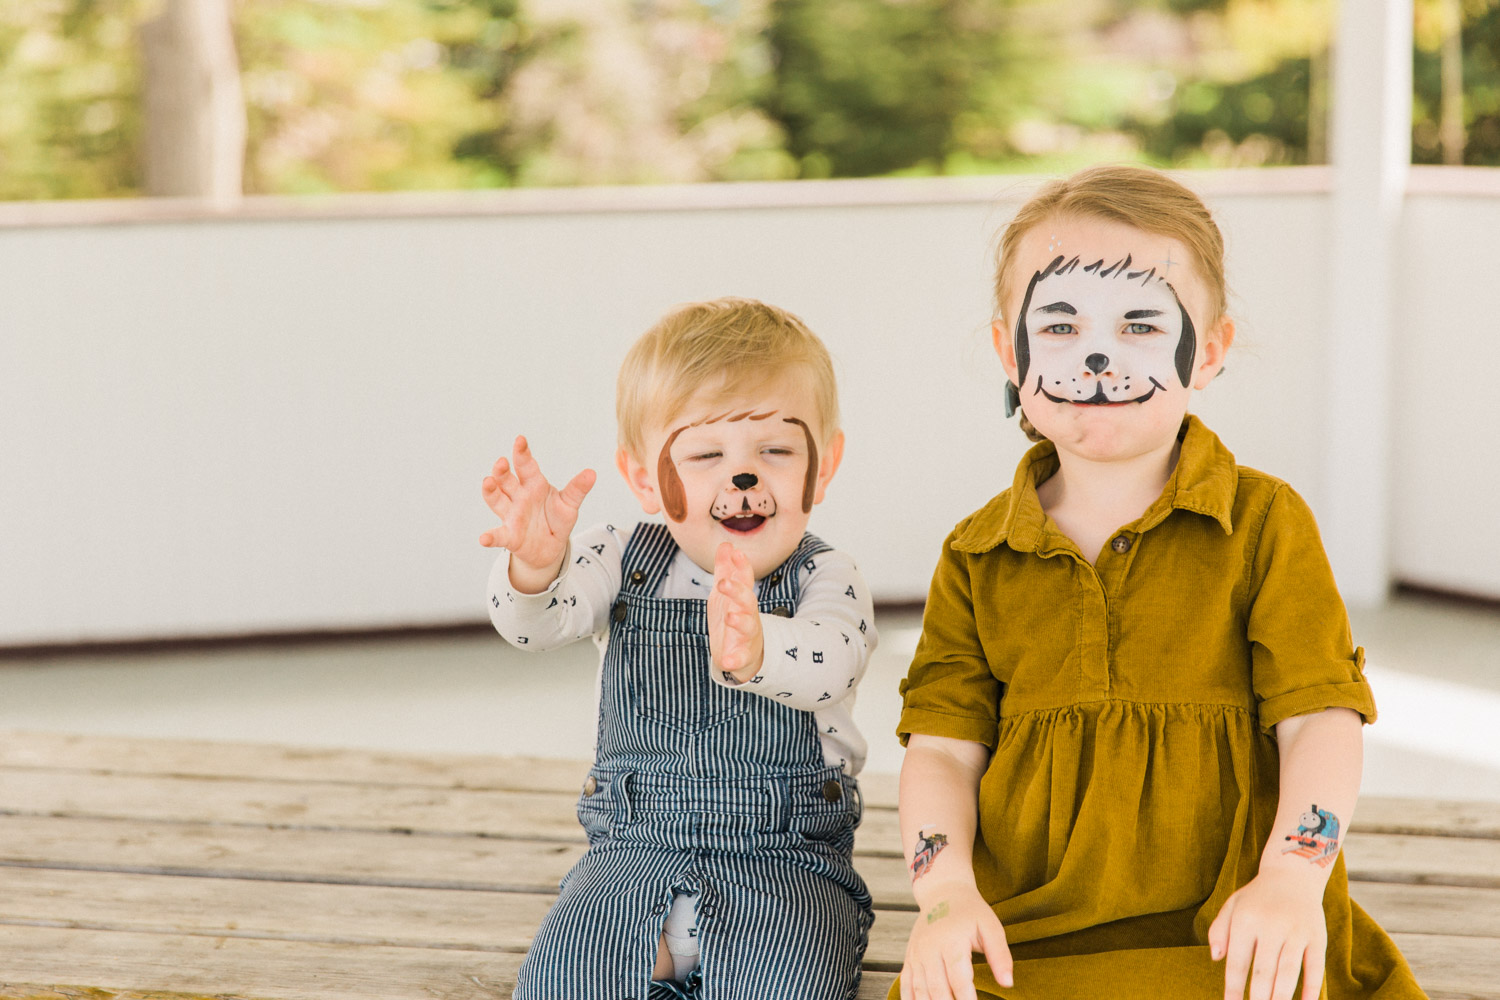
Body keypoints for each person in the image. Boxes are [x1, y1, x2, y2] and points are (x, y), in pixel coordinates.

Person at [893, 165, 1428, 1000]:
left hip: (1231, 922)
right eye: (1060, 324)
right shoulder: (975, 552)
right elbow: (943, 751)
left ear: (1208, 351)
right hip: (1025, 933)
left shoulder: (1265, 523)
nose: (1096, 355)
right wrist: (943, 893)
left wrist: (1292, 881)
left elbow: (1318, 719)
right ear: (1010, 349)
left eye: (1141, 323)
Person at [481, 297, 876, 1000]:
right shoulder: (618, 555)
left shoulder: (827, 574)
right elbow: (534, 627)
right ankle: (658, 962)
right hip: (631, 853)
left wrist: (760, 649)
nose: (743, 477)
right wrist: (536, 569)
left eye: (777, 451)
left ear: (824, 464)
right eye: (704, 454)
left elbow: (833, 662)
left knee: (790, 988)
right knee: (562, 984)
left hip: (786, 860)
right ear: (642, 478)